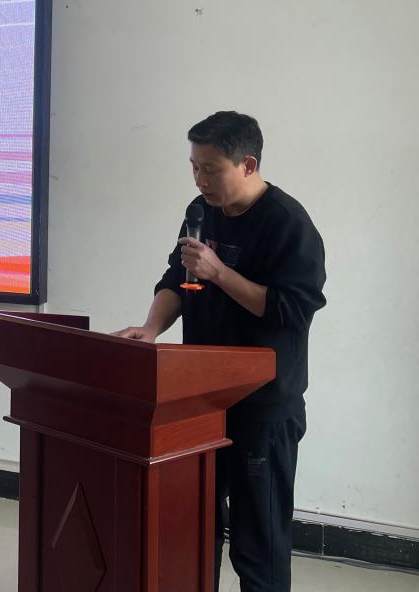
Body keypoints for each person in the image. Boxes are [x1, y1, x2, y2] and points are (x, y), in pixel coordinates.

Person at [113, 111, 326, 592]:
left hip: (262, 408)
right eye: (194, 167)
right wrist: (151, 328)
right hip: (200, 400)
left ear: (248, 165)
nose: (200, 180)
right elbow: (177, 277)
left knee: (258, 545)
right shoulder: (200, 210)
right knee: (194, 528)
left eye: (211, 169)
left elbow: (292, 311)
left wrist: (220, 273)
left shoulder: (288, 224)